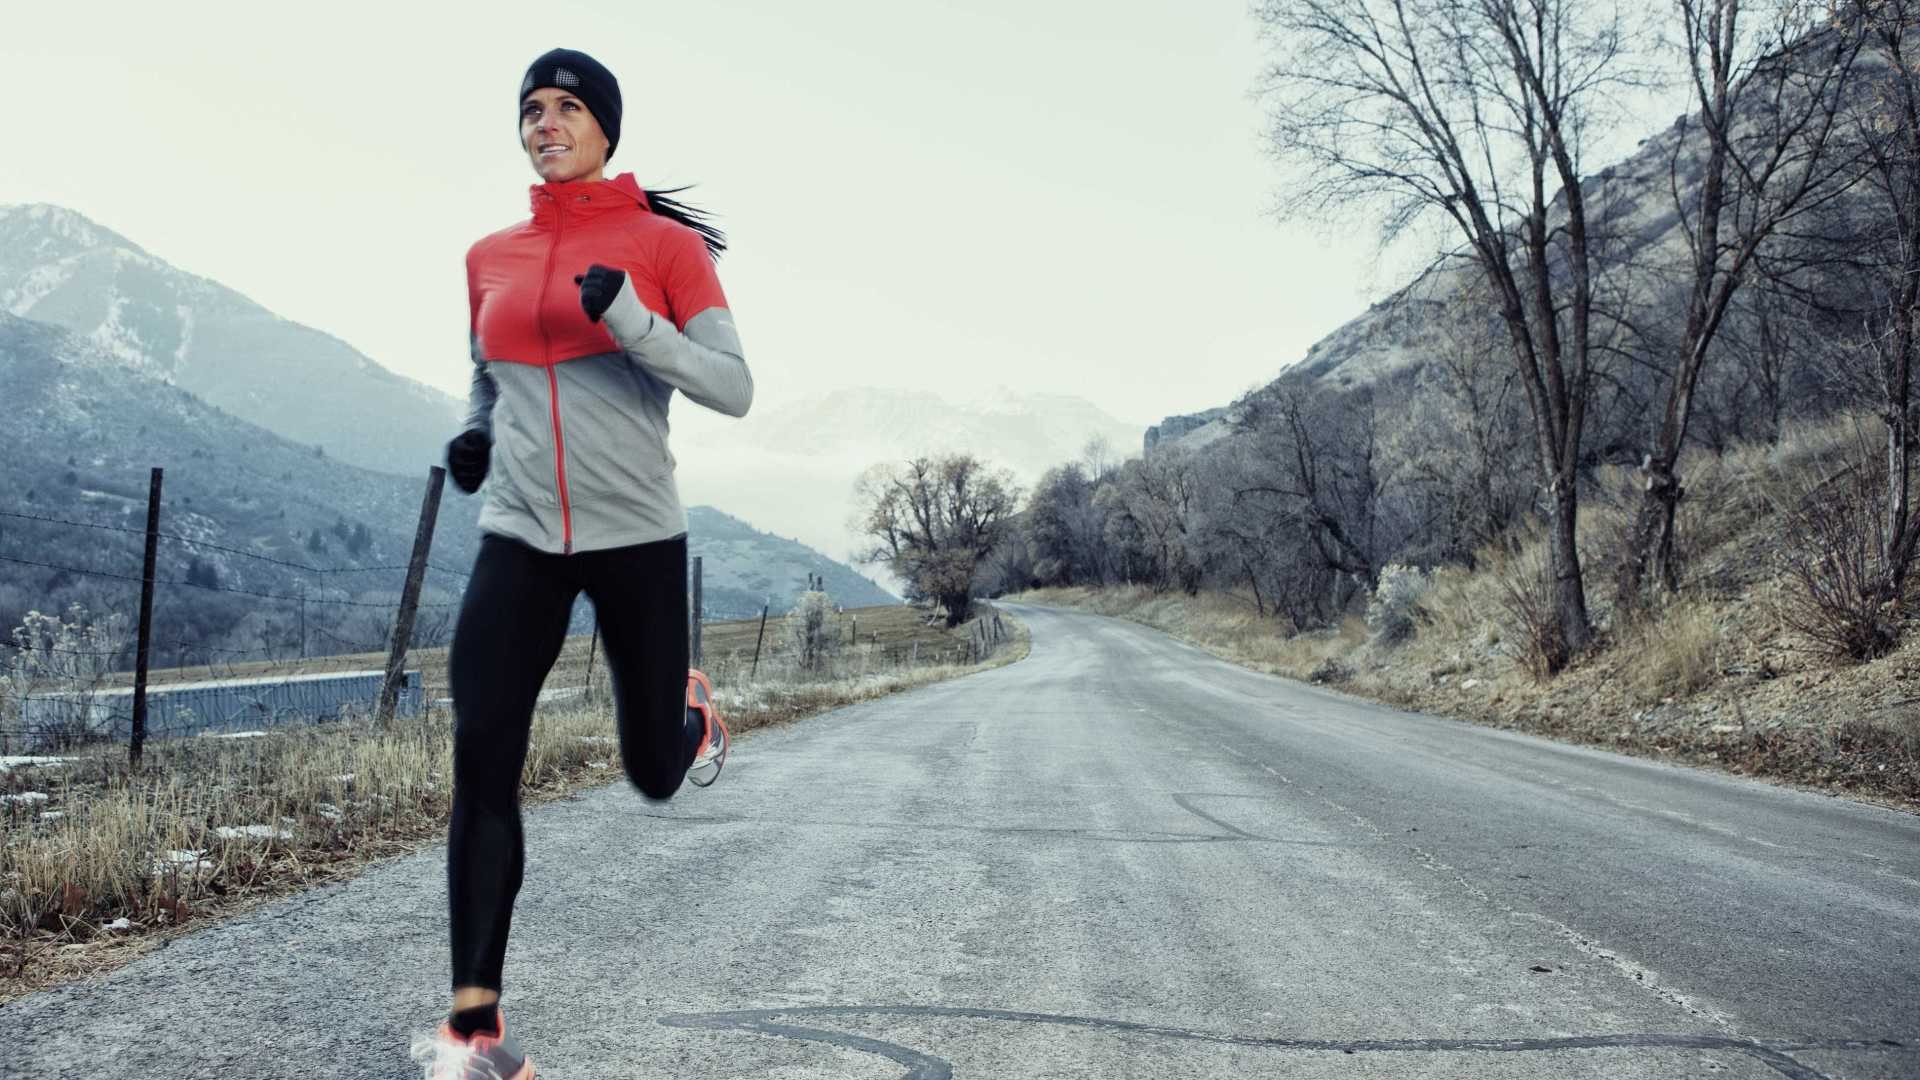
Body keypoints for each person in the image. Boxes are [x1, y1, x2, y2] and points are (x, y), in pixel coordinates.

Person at [413, 47, 753, 1080]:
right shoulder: (489, 256)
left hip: (635, 535)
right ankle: (477, 1034)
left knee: (651, 772)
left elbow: (731, 386)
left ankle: (688, 716)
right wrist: (475, 438)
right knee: (483, 755)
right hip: (518, 536)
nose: (545, 123)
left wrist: (631, 320)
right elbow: (489, 377)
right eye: (532, 109)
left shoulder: (660, 248)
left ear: (607, 127)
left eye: (567, 108)